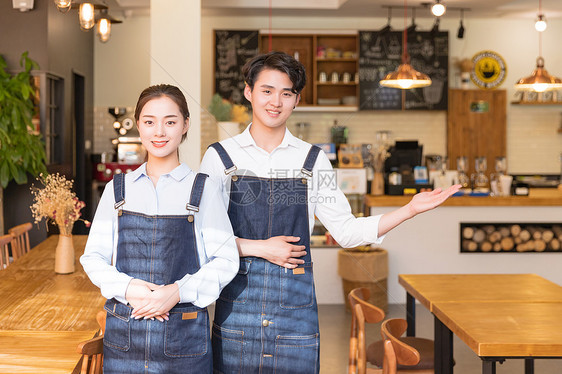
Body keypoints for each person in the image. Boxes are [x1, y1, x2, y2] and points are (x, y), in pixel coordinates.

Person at [199, 51, 460, 373]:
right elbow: (202, 235)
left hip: (295, 307)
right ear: (248, 92)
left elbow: (346, 232)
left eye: (286, 93)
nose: (275, 102)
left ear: (296, 100)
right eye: (267, 91)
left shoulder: (313, 161)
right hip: (237, 304)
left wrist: (408, 209)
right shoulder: (219, 157)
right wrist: (259, 247)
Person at [81, 84, 239, 373]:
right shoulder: (118, 189)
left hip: (185, 343)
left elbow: (227, 260)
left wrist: (177, 292)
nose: (159, 132)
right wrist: (128, 287)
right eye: (150, 122)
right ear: (139, 126)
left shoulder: (203, 190)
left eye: (170, 122)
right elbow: (93, 258)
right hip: (124, 340)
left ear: (185, 125)